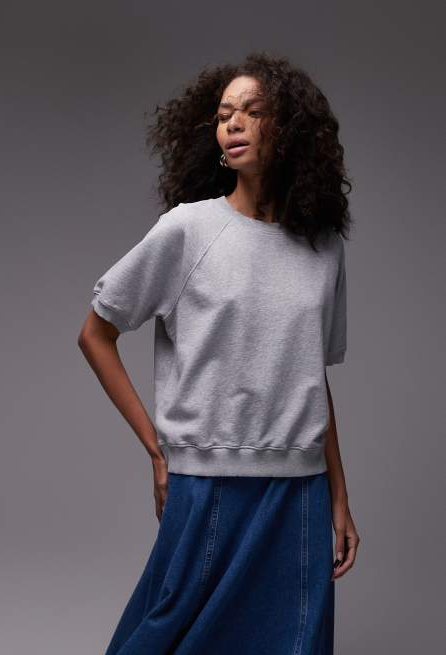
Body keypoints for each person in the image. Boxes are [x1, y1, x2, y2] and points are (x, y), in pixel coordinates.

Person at [78, 51, 360, 655]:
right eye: (224, 113)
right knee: (168, 635)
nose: (233, 123)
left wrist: (339, 496)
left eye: (252, 111)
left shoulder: (325, 247)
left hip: (300, 493)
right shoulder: (189, 230)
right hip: (206, 484)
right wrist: (157, 450)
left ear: (290, 128)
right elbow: (95, 334)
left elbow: (311, 376)